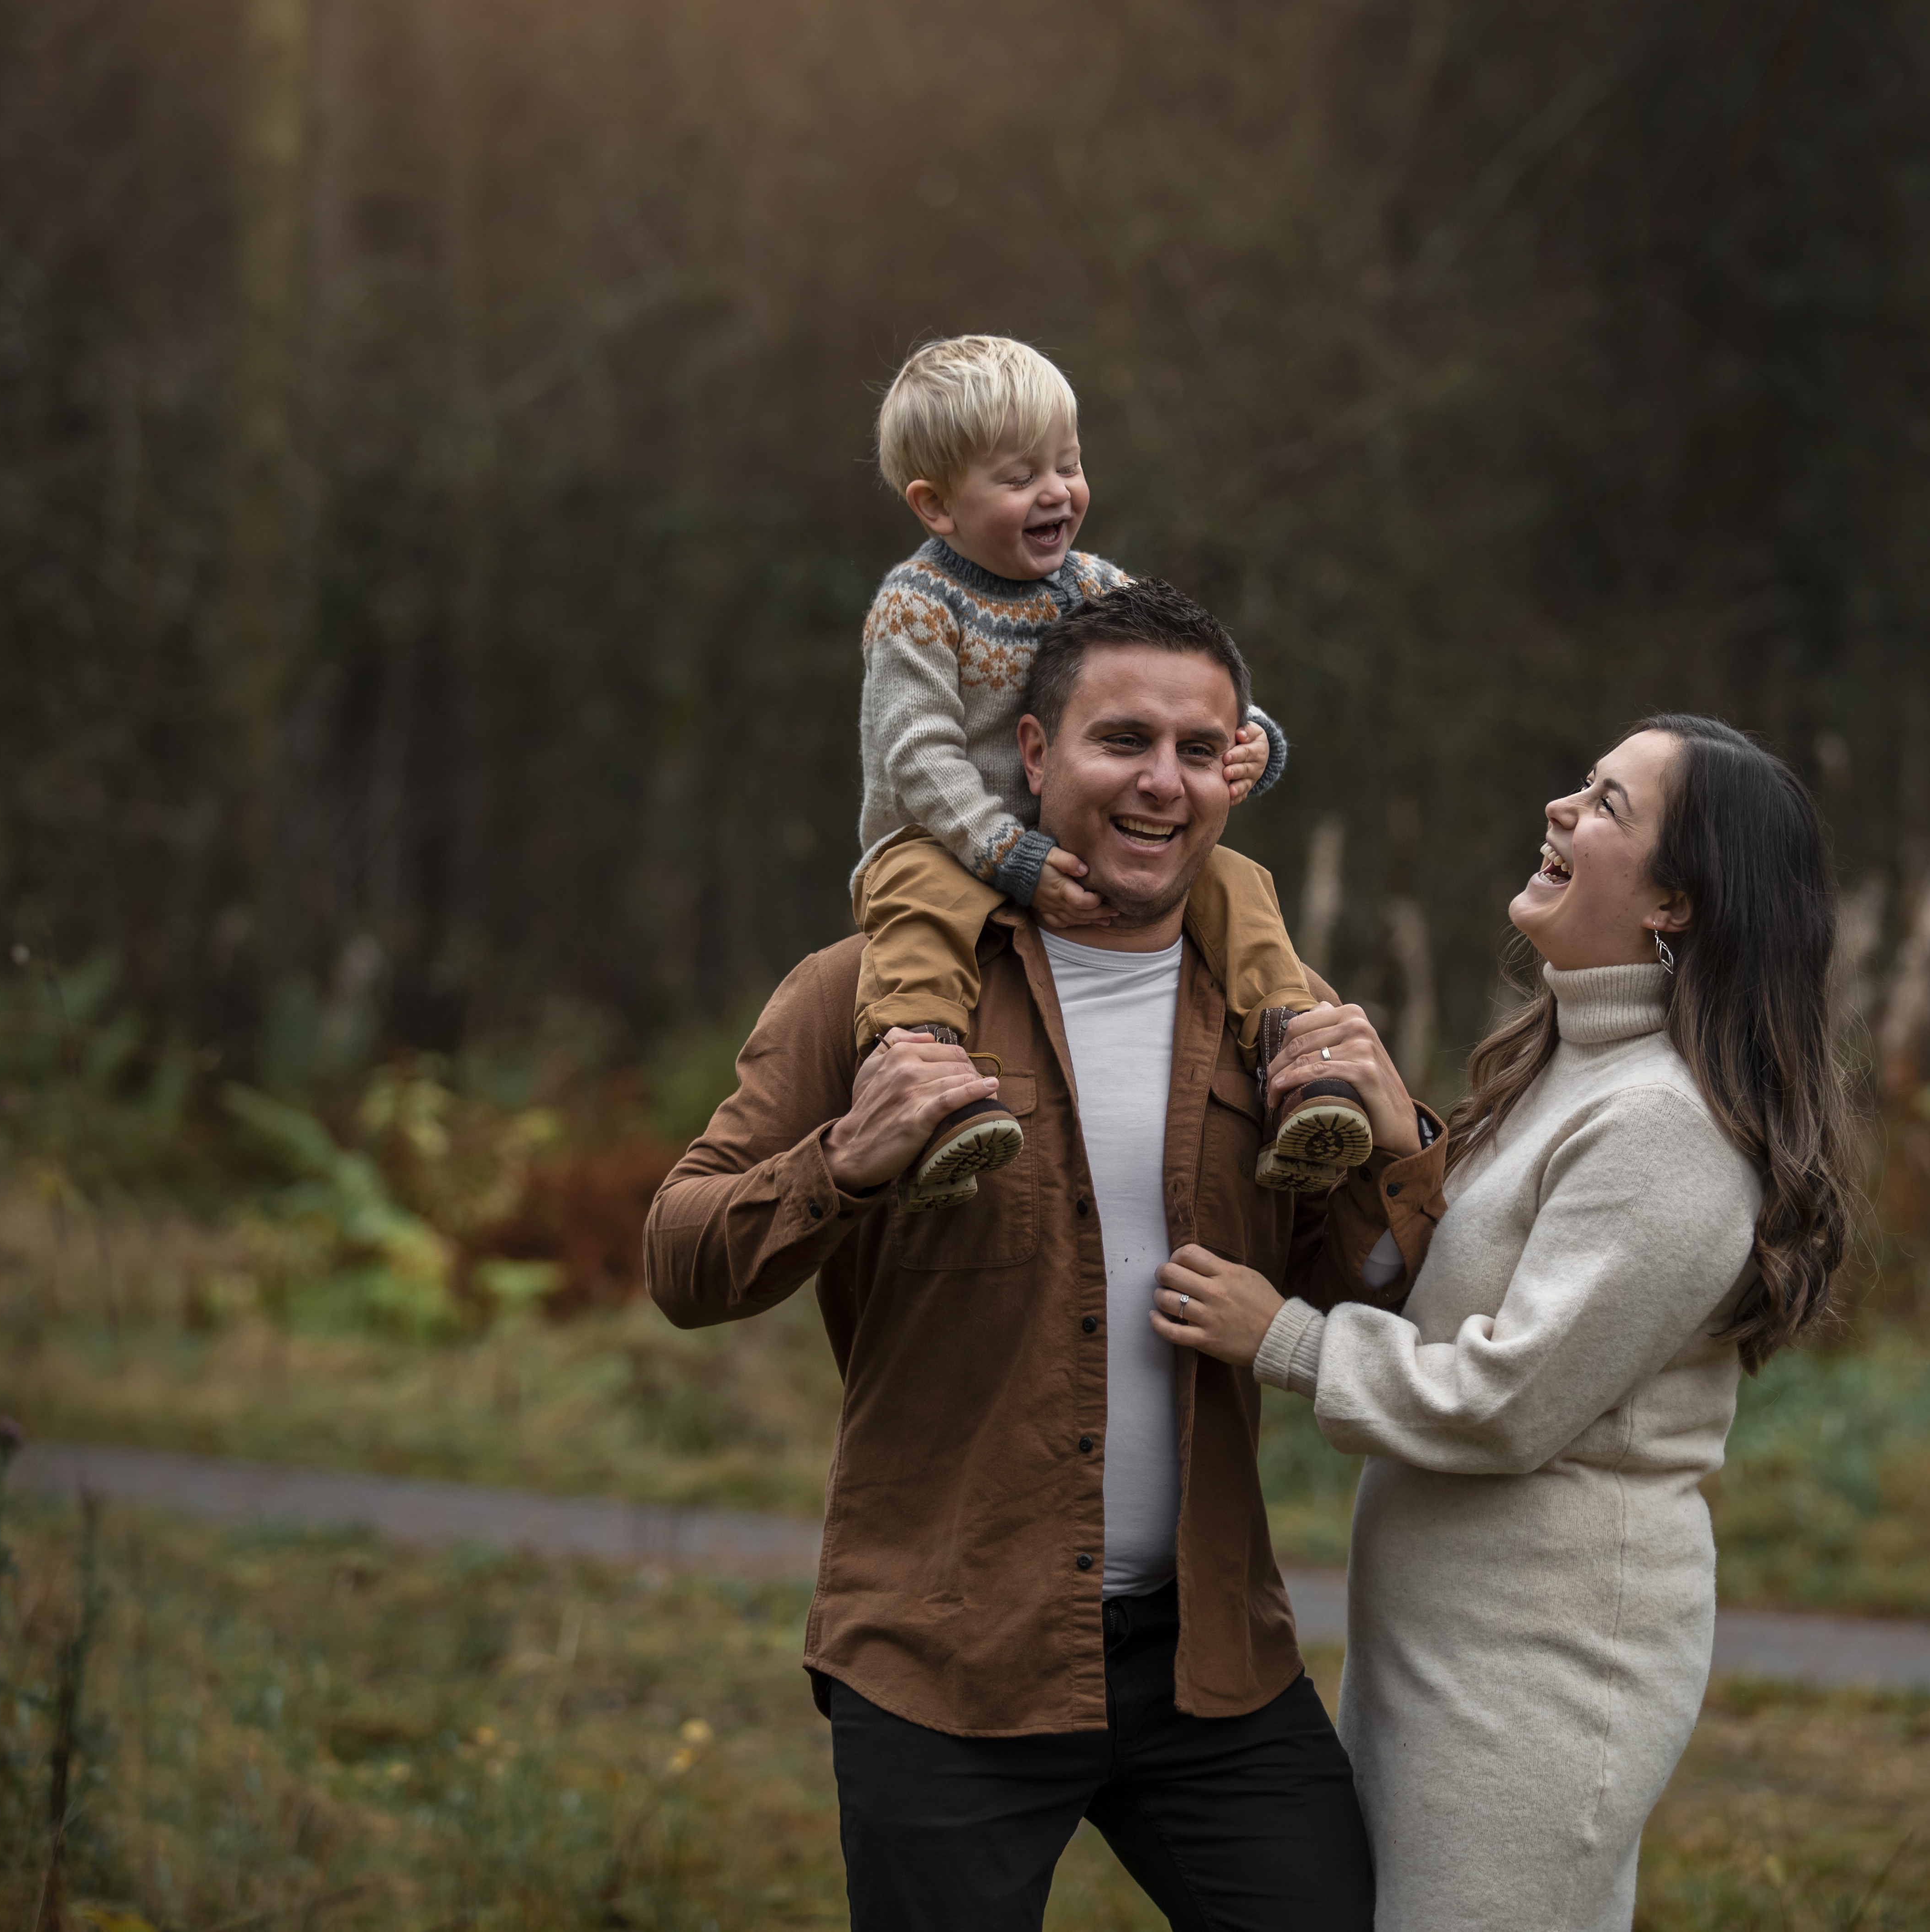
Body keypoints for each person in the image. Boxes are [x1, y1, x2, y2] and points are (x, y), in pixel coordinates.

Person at [644, 582, 1433, 1932]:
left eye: (1201, 749)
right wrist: (843, 1158)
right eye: (1122, 740)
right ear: (1031, 754)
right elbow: (683, 1259)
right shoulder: (866, 995)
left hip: (1212, 1669)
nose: (1162, 784)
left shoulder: (1273, 1016)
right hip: (948, 1661)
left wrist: (1398, 1128)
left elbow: (1374, 1287)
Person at [1153, 714, 1852, 1932]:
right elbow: (1472, 1295)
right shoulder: (1570, 1070)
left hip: (1544, 1675)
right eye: (1581, 787)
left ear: (1675, 901)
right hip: (1446, 1651)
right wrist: (1407, 1143)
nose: (1560, 811)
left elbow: (1510, 1398)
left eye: (1607, 806)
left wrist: (1281, 1338)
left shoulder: (1664, 1125)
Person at [849, 334, 1370, 1208]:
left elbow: (1176, 676)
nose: (1057, 492)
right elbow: (918, 756)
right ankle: (927, 1090)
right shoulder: (916, 604)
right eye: (1019, 479)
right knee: (922, 919)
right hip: (937, 838)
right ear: (937, 506)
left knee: (1236, 884)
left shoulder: (1088, 582)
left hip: (1074, 831)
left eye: (1069, 463)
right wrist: (1002, 852)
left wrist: (1249, 740)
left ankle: (1298, 1068)